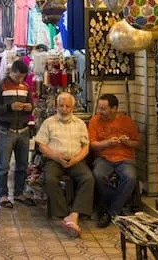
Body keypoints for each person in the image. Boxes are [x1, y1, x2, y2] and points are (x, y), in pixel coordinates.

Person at [34, 92, 94, 238]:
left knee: (88, 178)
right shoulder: (49, 122)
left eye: (67, 106)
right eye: (61, 106)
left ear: (73, 107)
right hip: (54, 160)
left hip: (75, 160)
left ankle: (74, 214)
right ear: (56, 106)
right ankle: (62, 214)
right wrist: (56, 157)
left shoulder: (79, 123)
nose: (64, 109)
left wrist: (76, 159)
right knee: (50, 179)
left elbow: (86, 146)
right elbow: (41, 145)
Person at [89, 94, 140, 228]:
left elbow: (137, 144)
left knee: (130, 178)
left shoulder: (126, 121)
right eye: (99, 108)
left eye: (103, 109)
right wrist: (107, 143)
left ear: (114, 108)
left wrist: (127, 142)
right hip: (103, 158)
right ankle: (113, 207)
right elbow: (92, 145)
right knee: (98, 175)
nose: (100, 112)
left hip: (124, 158)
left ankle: (110, 212)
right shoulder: (95, 121)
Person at [0, 59, 34, 208]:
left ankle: (19, 193)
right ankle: (3, 195)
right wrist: (9, 107)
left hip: (23, 130)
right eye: (18, 76)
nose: (20, 79)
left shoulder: (26, 87)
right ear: (11, 71)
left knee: (22, 164)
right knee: (4, 165)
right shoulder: (0, 86)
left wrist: (29, 107)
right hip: (6, 130)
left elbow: (31, 105)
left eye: (23, 77)